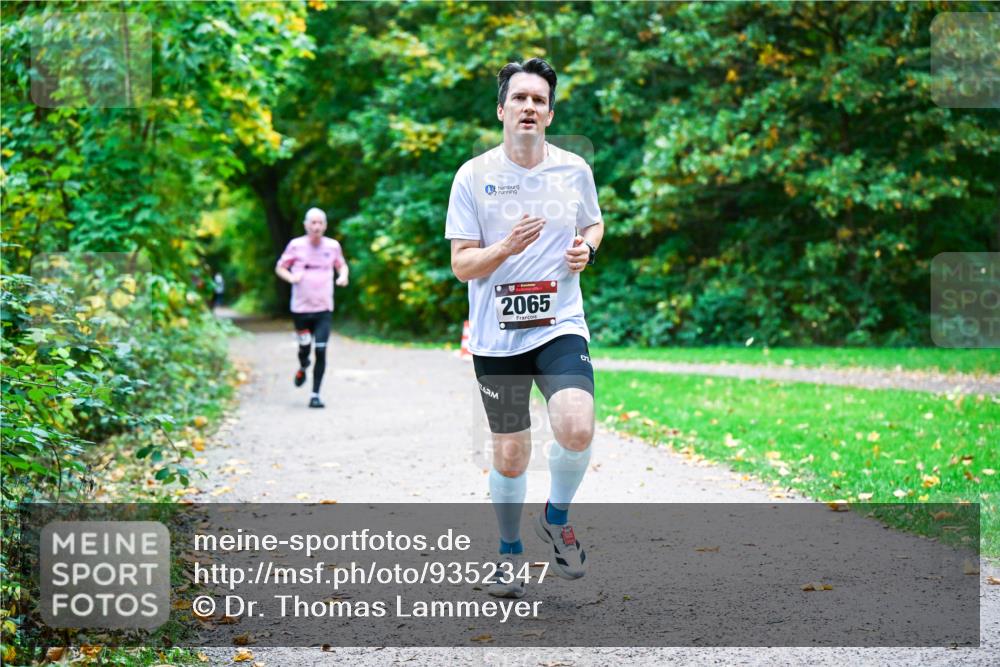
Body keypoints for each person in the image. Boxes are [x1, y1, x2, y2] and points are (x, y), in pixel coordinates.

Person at [445, 58, 604, 598]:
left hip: (560, 325)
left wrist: (587, 249)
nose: (529, 107)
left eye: (539, 100)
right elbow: (462, 264)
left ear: (550, 114)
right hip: (497, 338)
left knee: (576, 426)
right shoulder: (472, 176)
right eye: (520, 98)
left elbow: (593, 223)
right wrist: (506, 247)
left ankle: (556, 519)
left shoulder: (574, 170)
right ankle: (509, 552)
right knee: (511, 454)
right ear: (501, 110)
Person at [275, 207, 349, 409]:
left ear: (325, 225)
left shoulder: (332, 246)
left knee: (321, 350)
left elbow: (341, 265)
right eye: (313, 222)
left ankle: (315, 394)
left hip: (324, 308)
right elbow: (280, 267)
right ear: (306, 225)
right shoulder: (295, 245)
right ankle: (303, 365)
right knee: (305, 348)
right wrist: (292, 278)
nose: (316, 226)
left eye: (320, 223)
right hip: (301, 309)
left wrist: (343, 276)